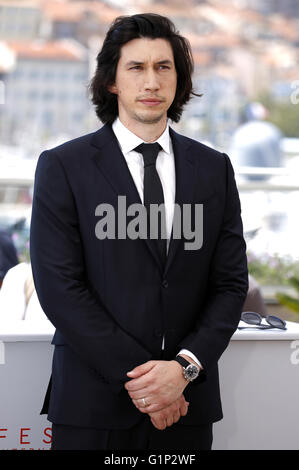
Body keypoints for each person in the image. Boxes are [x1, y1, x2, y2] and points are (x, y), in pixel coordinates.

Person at [30, 13, 248, 450]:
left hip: (186, 405)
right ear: (112, 81)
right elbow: (60, 288)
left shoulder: (213, 169)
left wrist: (183, 370)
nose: (151, 82)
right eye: (136, 67)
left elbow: (230, 285)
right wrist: (150, 383)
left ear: (179, 80)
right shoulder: (64, 167)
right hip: (93, 404)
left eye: (163, 67)